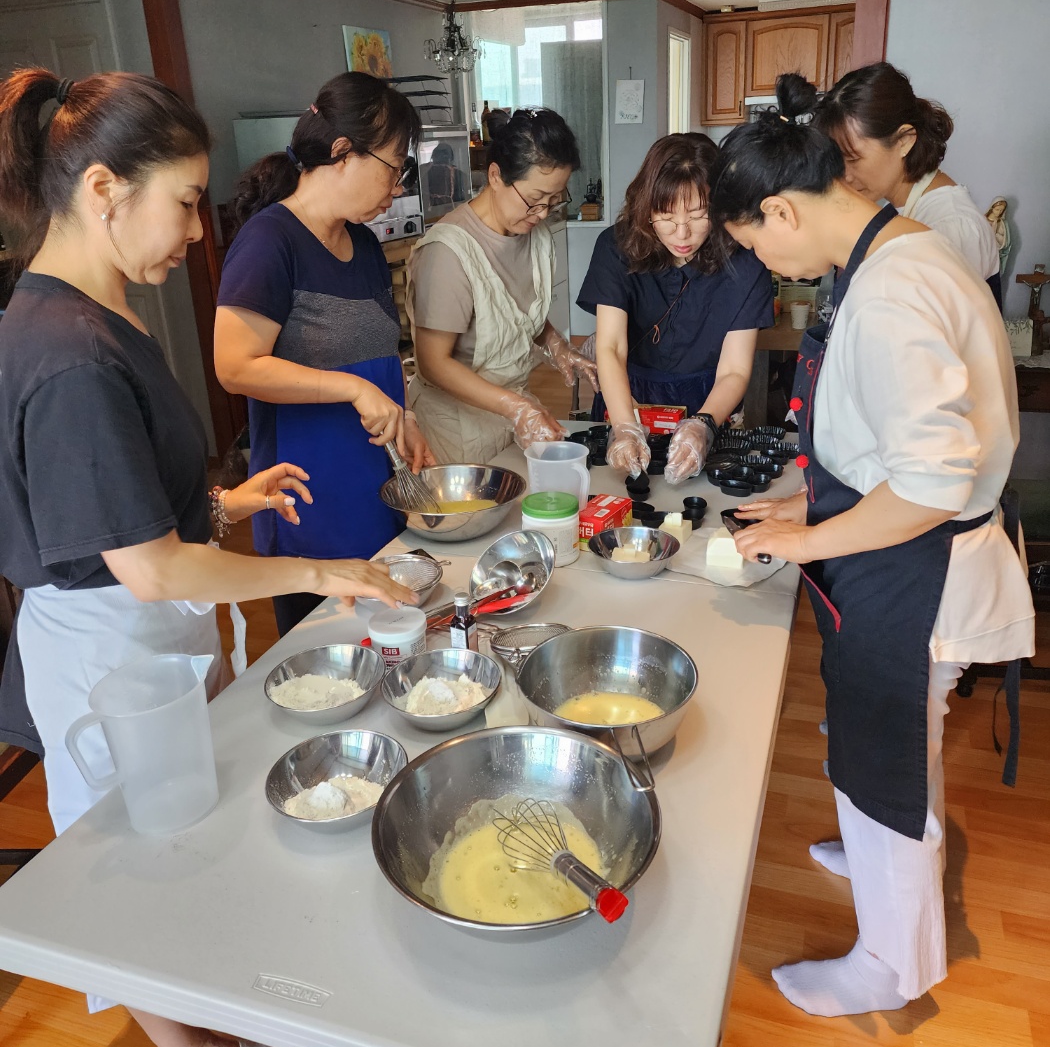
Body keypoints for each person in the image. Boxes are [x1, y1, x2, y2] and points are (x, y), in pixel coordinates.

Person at [0, 68, 413, 1047]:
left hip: (148, 628)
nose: (197, 232)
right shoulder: (69, 354)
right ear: (104, 190)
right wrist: (316, 567)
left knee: (183, 830)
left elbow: (118, 509)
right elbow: (145, 566)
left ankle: (210, 996)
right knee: (123, 850)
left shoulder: (98, 315)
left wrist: (222, 504)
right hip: (110, 648)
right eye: (185, 202)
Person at [708, 73, 1033, 1017]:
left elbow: (930, 484)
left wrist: (809, 535)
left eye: (755, 245)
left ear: (781, 209)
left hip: (918, 565)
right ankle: (873, 847)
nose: (767, 266)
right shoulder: (895, 247)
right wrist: (806, 506)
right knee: (879, 744)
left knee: (890, 753)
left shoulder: (894, 289)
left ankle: (890, 965)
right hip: (895, 552)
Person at [214, 73, 434, 636]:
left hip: (374, 489)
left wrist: (403, 414)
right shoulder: (269, 242)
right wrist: (354, 389)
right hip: (308, 499)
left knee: (393, 638)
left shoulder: (364, 243)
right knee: (332, 654)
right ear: (342, 151)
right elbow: (235, 367)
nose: (397, 187)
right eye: (393, 167)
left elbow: (377, 351)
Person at [577, 133, 773, 485]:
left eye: (699, 216)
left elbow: (734, 369)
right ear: (646, 207)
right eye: (666, 216)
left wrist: (703, 425)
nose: (682, 233)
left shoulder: (745, 261)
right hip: (626, 392)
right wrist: (625, 426)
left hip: (707, 398)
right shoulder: (616, 246)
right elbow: (611, 348)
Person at [408, 107, 598, 462]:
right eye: (534, 200)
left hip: (512, 418)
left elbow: (514, 315)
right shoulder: (449, 252)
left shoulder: (534, 234)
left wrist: (556, 344)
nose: (542, 213)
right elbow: (433, 363)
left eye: (554, 200)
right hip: (455, 431)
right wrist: (516, 407)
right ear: (495, 176)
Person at [810, 62, 1002, 304]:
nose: (844, 176)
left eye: (854, 159)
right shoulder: (898, 209)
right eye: (838, 161)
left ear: (905, 141)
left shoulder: (951, 227)